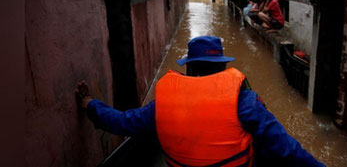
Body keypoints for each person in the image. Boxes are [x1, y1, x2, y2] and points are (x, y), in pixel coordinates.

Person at [76, 36, 325, 167]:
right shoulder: (245, 101)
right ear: (223, 68)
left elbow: (121, 122)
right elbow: (287, 149)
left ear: (190, 69)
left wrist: (89, 103)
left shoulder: (162, 104)